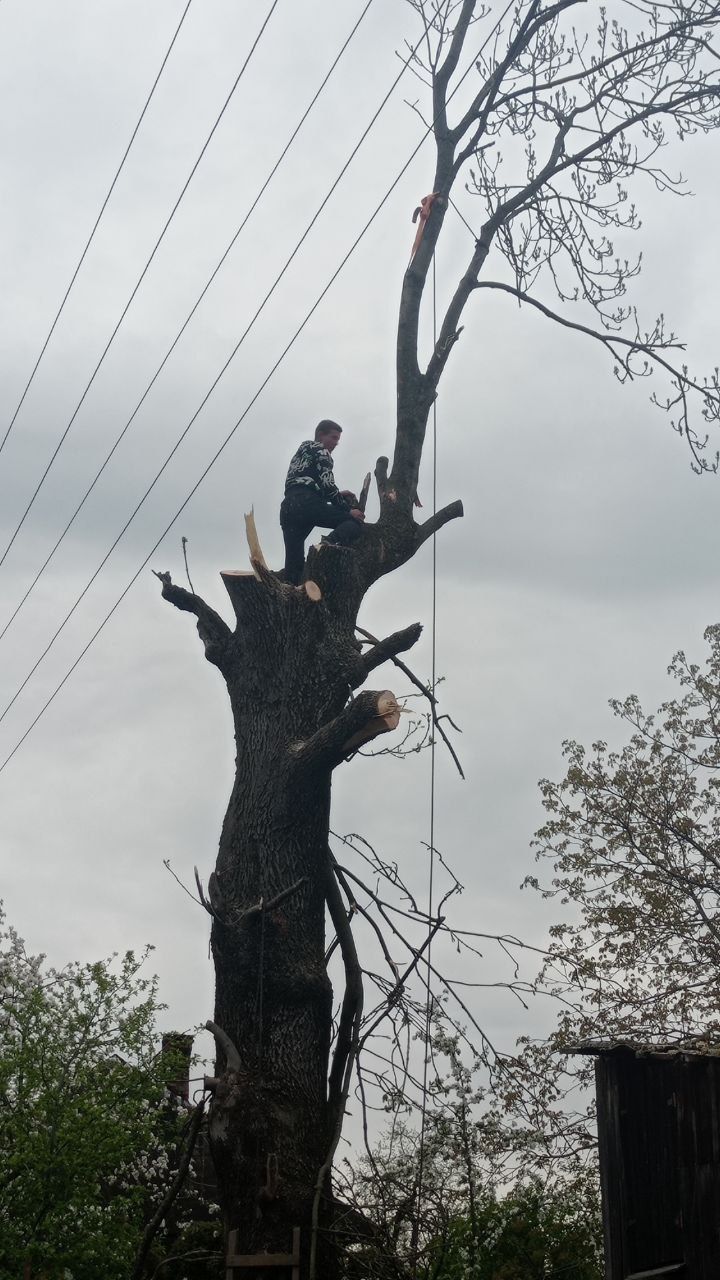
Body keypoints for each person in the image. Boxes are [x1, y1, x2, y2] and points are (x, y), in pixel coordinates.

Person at [280, 420, 365, 584]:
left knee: (294, 563)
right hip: (306, 505)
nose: (336, 443)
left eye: (338, 440)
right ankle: (327, 544)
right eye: (333, 438)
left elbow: (303, 483)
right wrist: (348, 510)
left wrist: (331, 495)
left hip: (288, 508)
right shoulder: (322, 452)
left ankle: (290, 593)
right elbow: (327, 484)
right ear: (321, 435)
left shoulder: (302, 451)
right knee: (355, 523)